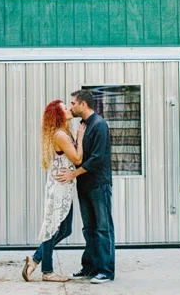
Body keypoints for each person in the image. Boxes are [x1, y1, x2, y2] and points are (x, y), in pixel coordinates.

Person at [56, 89, 115, 284]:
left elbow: (97, 159)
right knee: (88, 229)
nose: (71, 106)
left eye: (73, 103)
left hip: (99, 185)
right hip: (84, 185)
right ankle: (89, 267)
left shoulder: (99, 125)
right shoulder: (83, 125)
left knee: (103, 229)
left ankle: (105, 271)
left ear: (83, 104)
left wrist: (73, 173)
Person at [22, 99, 85, 282]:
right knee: (53, 228)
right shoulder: (60, 135)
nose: (69, 109)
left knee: (65, 229)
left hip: (64, 187)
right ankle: (47, 272)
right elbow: (78, 159)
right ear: (59, 115)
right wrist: (80, 138)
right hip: (58, 188)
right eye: (65, 108)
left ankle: (34, 259)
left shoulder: (63, 132)